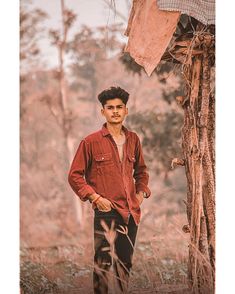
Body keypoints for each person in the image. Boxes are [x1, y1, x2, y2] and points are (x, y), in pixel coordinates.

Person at [68, 86, 151, 293]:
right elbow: (74, 175)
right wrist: (95, 198)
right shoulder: (90, 142)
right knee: (103, 264)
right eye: (110, 107)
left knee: (125, 264)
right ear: (102, 111)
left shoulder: (133, 140)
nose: (115, 111)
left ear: (126, 111)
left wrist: (140, 194)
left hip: (130, 212)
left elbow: (141, 171)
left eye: (119, 107)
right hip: (106, 210)